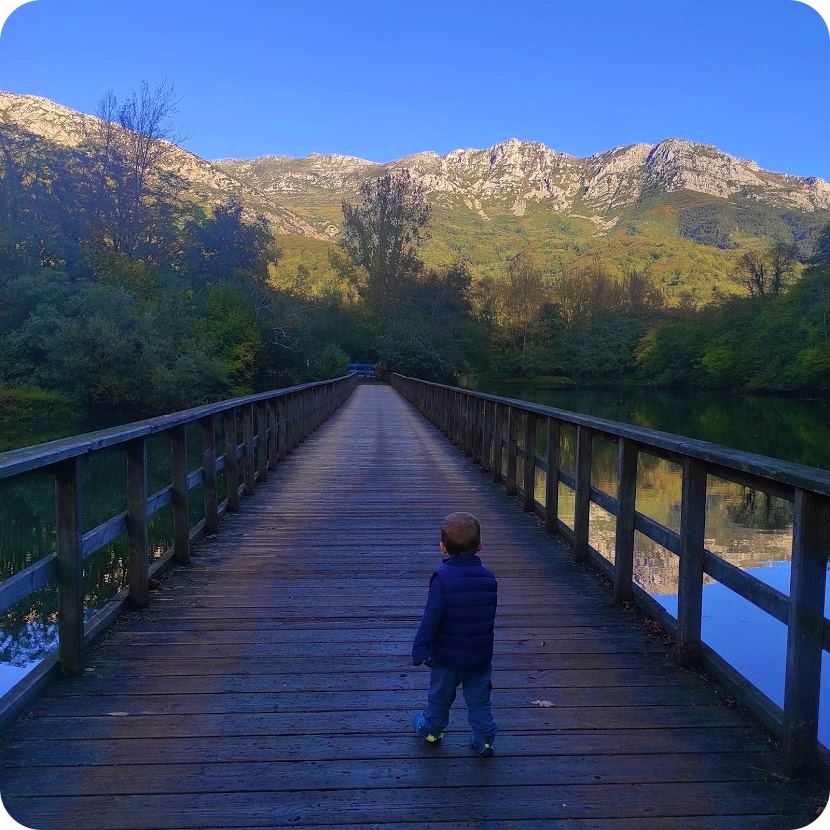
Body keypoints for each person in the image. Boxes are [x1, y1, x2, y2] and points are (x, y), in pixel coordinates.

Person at [411, 511, 498, 756]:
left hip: (447, 658)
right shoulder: (489, 578)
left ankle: (432, 729)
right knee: (479, 701)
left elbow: (432, 617)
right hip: (479, 657)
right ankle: (484, 738)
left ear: (442, 548)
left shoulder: (443, 579)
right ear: (480, 545)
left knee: (439, 696)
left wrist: (421, 648)